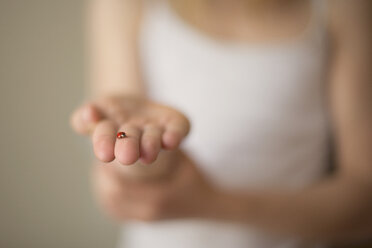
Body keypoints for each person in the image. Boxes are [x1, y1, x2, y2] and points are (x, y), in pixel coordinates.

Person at [70, 0, 372, 247]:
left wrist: (209, 202)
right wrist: (146, 156)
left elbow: (365, 202)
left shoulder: (343, 10)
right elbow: (126, 180)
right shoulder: (122, 6)